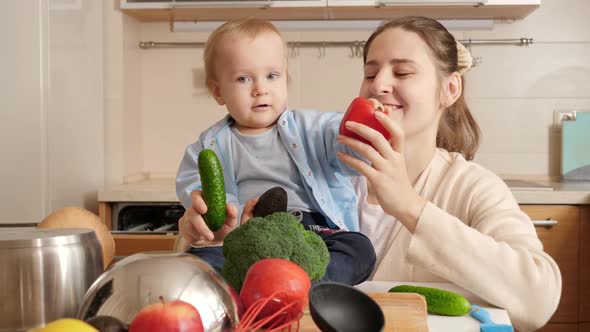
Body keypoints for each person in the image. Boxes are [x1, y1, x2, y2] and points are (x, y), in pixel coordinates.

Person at [335, 16, 561, 332]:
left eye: (402, 72)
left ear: (450, 89)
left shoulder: (474, 187)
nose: (378, 84)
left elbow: (538, 301)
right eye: (370, 73)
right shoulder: (331, 178)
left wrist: (410, 207)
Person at [175, 17, 375, 285]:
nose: (260, 89)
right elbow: (195, 189)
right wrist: (213, 217)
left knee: (358, 249)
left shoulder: (312, 128)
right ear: (218, 92)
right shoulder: (208, 146)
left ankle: (309, 284)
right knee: (200, 263)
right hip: (247, 239)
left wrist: (364, 125)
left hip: (314, 232)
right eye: (243, 78)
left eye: (272, 76)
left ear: (285, 80)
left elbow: (350, 152)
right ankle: (261, 286)